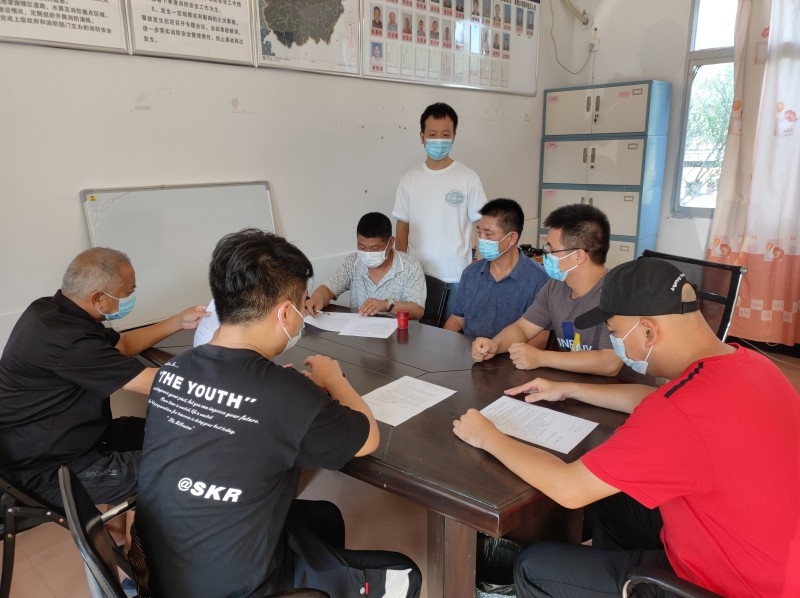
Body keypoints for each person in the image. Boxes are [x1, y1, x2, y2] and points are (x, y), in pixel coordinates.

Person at [453, 257, 800, 597]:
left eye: (614, 332)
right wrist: (568, 388)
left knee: (534, 566)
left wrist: (489, 436)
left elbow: (568, 488)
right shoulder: (751, 364)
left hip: (723, 586)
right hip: (764, 561)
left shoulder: (678, 413)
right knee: (614, 497)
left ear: (648, 332)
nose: (615, 342)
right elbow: (654, 399)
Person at [136, 229, 422, 597]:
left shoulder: (172, 371)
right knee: (405, 574)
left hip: (162, 570)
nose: (303, 314)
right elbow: (367, 438)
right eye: (302, 305)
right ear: (286, 312)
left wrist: (283, 395)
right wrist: (334, 380)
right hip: (237, 588)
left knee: (324, 518)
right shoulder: (286, 394)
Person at [0, 247, 208, 506]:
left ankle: (118, 526)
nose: (129, 298)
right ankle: (141, 532)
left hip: (80, 438)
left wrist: (178, 321)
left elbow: (123, 345)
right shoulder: (69, 341)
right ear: (98, 298)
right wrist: (230, 373)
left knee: (179, 434)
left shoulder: (50, 311)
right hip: (50, 468)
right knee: (188, 466)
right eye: (126, 293)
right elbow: (155, 384)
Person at [472, 203, 621, 376]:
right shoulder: (555, 286)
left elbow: (610, 363)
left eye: (551, 248)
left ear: (578, 256)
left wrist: (541, 357)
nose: (545, 254)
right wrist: (495, 345)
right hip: (567, 384)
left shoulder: (617, 293)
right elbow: (523, 328)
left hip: (611, 388)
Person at [393, 102, 487, 320]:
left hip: (457, 275)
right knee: (418, 334)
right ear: (422, 137)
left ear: (454, 136)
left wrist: (481, 271)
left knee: (453, 335)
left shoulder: (468, 177)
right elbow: (402, 226)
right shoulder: (409, 179)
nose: (439, 140)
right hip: (418, 276)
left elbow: (481, 225)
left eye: (445, 135)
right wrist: (400, 270)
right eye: (433, 134)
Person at [444, 199, 548, 339]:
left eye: (488, 234)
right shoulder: (471, 273)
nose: (481, 240)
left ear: (511, 238)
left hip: (510, 352)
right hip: (468, 350)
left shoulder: (539, 279)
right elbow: (457, 319)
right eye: (479, 233)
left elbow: (541, 339)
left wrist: (496, 349)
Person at [305, 212, 426, 320]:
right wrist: (316, 299)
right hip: (359, 331)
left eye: (374, 248)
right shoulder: (352, 262)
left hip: (398, 333)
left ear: (390, 243)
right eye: (362, 247)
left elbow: (418, 311)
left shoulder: (410, 266)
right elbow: (327, 290)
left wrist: (386, 305)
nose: (367, 253)